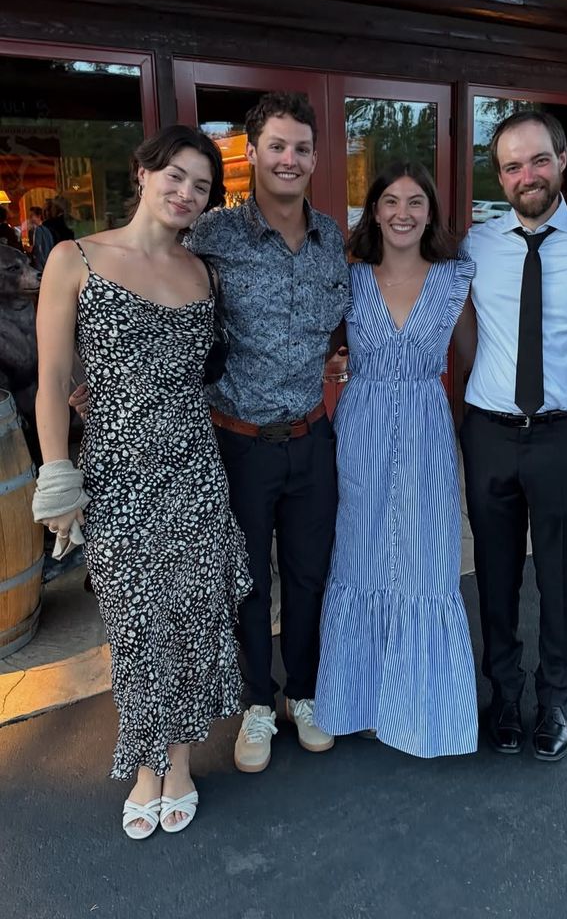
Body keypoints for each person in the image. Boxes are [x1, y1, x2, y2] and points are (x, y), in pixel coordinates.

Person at [33, 125, 251, 839]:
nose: (186, 193)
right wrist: (57, 473)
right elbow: (53, 378)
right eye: (175, 176)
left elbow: (203, 370)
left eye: (201, 186)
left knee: (190, 617)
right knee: (134, 624)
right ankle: (145, 763)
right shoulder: (74, 258)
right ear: (143, 173)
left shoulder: (204, 273)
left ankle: (178, 762)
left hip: (194, 468)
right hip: (117, 475)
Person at [460, 109, 567, 762]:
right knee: (494, 572)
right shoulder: (476, 245)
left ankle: (554, 696)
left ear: (562, 161)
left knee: (561, 572)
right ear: (499, 176)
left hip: (562, 436)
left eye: (538, 160)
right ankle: (504, 694)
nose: (526, 175)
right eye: (512, 166)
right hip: (488, 433)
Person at [186, 92, 349, 770]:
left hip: (311, 439)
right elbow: (154, 288)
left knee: (310, 574)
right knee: (248, 579)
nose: (290, 159)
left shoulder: (332, 238)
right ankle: (258, 703)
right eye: (277, 146)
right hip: (240, 442)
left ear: (315, 158)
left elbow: (341, 322)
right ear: (250, 153)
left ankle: (302, 693)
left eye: (302, 148)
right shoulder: (211, 234)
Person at [314, 162, 478, 757]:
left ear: (430, 212)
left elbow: (474, 358)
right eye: (390, 201)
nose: (402, 213)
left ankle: (421, 708)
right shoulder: (350, 280)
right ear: (374, 212)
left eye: (415, 202)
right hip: (361, 431)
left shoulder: (455, 278)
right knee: (360, 559)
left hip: (427, 428)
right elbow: (315, 346)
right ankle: (358, 701)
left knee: (426, 565)